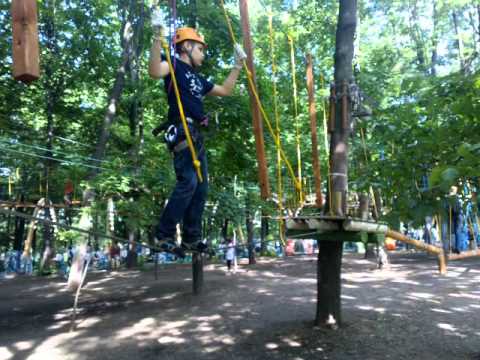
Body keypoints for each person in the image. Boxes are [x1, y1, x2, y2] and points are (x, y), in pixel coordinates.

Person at [148, 9, 247, 257]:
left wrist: (237, 66)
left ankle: (192, 238)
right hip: (181, 130)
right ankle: (164, 233)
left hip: (196, 134)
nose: (203, 53)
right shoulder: (171, 64)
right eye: (200, 49)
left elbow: (225, 90)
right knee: (189, 181)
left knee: (201, 187)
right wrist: (157, 36)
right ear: (187, 47)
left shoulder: (198, 78)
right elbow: (153, 71)